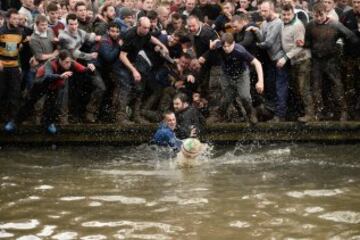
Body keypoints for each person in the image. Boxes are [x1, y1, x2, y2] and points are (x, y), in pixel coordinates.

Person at [4, 50, 97, 134]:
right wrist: (60, 76)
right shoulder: (51, 63)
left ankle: (48, 123)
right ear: (60, 60)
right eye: (66, 62)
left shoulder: (71, 63)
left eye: (70, 62)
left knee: (52, 105)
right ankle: (14, 122)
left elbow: (84, 70)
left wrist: (91, 68)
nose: (68, 65)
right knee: (30, 103)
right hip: (40, 83)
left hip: (54, 85)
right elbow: (48, 76)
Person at [299, 2, 359, 121]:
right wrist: (303, 44)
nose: (319, 18)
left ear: (326, 13)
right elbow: (308, 42)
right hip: (317, 60)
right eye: (316, 16)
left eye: (321, 15)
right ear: (312, 14)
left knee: (337, 85)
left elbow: (352, 37)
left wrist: (342, 47)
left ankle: (344, 111)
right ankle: (319, 112)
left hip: (331, 60)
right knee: (316, 87)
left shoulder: (335, 24)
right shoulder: (310, 25)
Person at [208, 33, 264, 124]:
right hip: (226, 74)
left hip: (241, 74)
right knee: (227, 97)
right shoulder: (220, 45)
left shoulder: (240, 51)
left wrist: (260, 81)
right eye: (224, 46)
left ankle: (250, 113)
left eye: (228, 46)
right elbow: (216, 42)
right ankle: (219, 115)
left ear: (233, 43)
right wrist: (212, 46)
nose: (226, 49)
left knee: (244, 96)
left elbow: (257, 63)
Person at [279, 4, 314, 122]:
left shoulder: (297, 25)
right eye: (284, 15)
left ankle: (310, 114)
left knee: (303, 87)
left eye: (288, 14)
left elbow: (299, 46)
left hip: (303, 59)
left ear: (293, 13)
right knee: (296, 88)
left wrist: (285, 57)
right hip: (294, 61)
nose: (286, 17)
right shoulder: (283, 23)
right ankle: (300, 112)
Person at [0, 9, 27, 124]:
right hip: (2, 66)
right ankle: (2, 118)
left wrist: (21, 63)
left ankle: (13, 118)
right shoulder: (1, 32)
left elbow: (21, 48)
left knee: (15, 92)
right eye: (14, 18)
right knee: (2, 92)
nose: (17, 21)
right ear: (7, 19)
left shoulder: (20, 32)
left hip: (14, 66)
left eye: (18, 18)